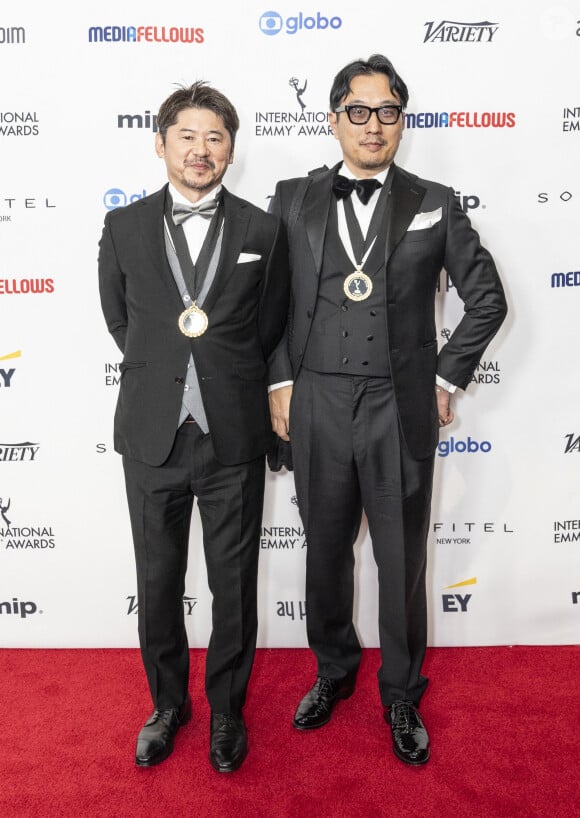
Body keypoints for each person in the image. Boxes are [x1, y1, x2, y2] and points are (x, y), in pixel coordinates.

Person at [268, 54, 507, 765]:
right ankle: (334, 671)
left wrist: (447, 377)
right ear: (334, 116)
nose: (374, 126)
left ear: (402, 121)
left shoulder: (437, 198)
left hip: (398, 404)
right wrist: (280, 384)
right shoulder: (290, 199)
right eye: (359, 111)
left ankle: (401, 693)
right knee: (325, 552)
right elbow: (267, 306)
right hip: (315, 399)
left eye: (389, 112)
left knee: (401, 560)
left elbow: (487, 298)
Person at [98, 81, 289, 773]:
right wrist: (169, 377)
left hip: (233, 434)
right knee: (157, 579)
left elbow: (269, 327)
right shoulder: (122, 227)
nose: (201, 149)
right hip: (152, 434)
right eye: (188, 136)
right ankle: (168, 704)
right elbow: (124, 322)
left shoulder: (264, 230)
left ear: (231, 149)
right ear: (161, 143)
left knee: (233, 584)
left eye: (215, 137)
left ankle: (228, 712)